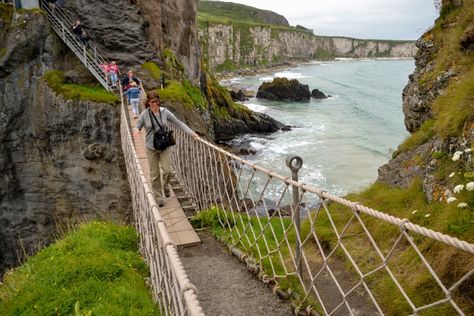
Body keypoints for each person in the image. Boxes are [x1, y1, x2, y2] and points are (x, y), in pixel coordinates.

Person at [134, 91, 198, 207]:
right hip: (150, 147)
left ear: (159, 102)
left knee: (168, 171)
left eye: (156, 102)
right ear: (148, 102)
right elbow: (137, 125)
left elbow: (178, 123)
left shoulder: (165, 112)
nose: (155, 105)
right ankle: (158, 197)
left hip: (164, 146)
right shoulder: (144, 114)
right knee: (154, 175)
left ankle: (166, 186)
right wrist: (136, 130)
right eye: (152, 102)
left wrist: (191, 133)